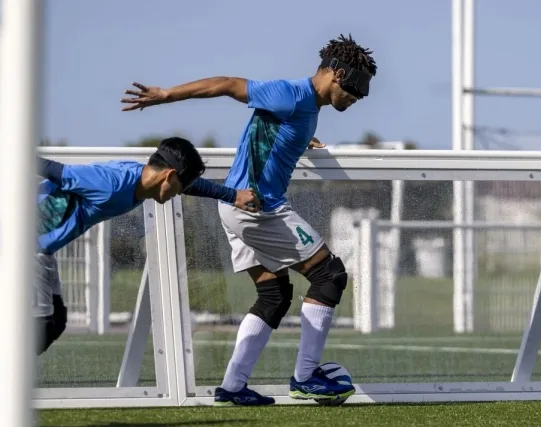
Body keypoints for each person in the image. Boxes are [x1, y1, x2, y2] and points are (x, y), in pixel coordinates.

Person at [120, 34, 377, 406]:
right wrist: (166, 95)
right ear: (337, 73)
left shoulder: (305, 110)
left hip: (238, 210)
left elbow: (273, 133)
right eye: (356, 88)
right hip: (258, 209)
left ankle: (233, 387)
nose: (358, 98)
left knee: (274, 295)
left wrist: (301, 139)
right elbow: (227, 84)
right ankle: (306, 377)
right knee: (329, 275)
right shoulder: (292, 94)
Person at [35, 136, 259, 355]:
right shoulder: (112, 184)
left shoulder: (141, 180)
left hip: (43, 252)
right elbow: (56, 170)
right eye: (179, 188)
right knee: (42, 326)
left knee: (55, 321)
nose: (178, 194)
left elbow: (191, 185)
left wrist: (232, 195)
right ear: (170, 175)